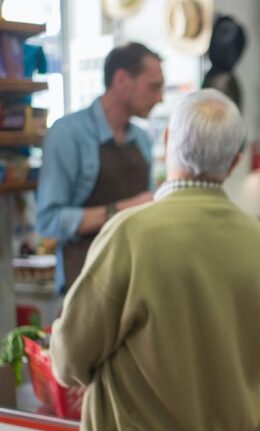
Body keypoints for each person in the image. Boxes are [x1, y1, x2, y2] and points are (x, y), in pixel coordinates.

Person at [49, 89, 260, 431]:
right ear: (232, 161)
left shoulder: (130, 233)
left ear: (167, 139)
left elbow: (67, 361)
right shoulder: (254, 236)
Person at [36, 42, 164, 294]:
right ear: (121, 80)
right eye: (154, 86)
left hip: (135, 279)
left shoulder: (140, 138)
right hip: (85, 280)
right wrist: (123, 209)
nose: (160, 97)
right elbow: (48, 221)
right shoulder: (68, 134)